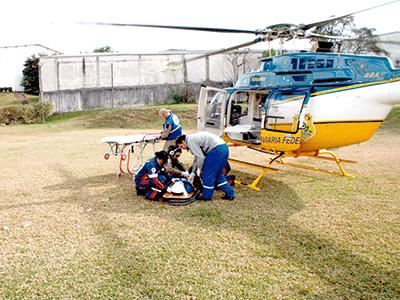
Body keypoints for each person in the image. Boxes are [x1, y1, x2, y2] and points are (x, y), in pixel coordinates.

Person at [176, 132, 235, 201]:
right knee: (219, 175)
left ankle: (206, 197)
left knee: (207, 175)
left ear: (183, 141)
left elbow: (201, 158)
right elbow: (196, 158)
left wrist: (199, 169)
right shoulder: (192, 138)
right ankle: (230, 194)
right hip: (224, 148)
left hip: (216, 150)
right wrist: (193, 172)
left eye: (181, 146)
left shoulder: (190, 141)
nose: (182, 148)